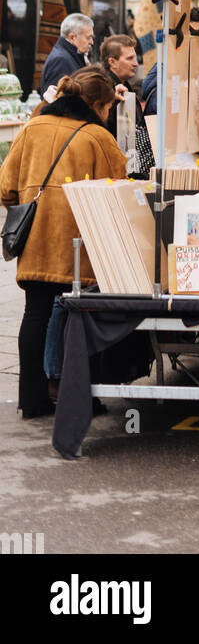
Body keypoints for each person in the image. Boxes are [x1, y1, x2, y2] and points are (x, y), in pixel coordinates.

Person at [0, 68, 127, 419]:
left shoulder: (32, 128)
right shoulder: (97, 137)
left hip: (35, 241)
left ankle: (32, 400)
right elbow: (119, 191)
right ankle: (82, 399)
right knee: (80, 322)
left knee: (35, 316)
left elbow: (5, 188)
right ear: (98, 105)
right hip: (79, 246)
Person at [99, 34, 153, 179]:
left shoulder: (125, 85)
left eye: (135, 57)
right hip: (113, 171)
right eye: (129, 58)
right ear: (112, 62)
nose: (135, 63)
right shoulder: (105, 91)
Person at [40, 14, 94, 96]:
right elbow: (57, 101)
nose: (91, 42)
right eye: (88, 38)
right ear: (72, 37)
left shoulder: (70, 55)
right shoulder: (60, 60)